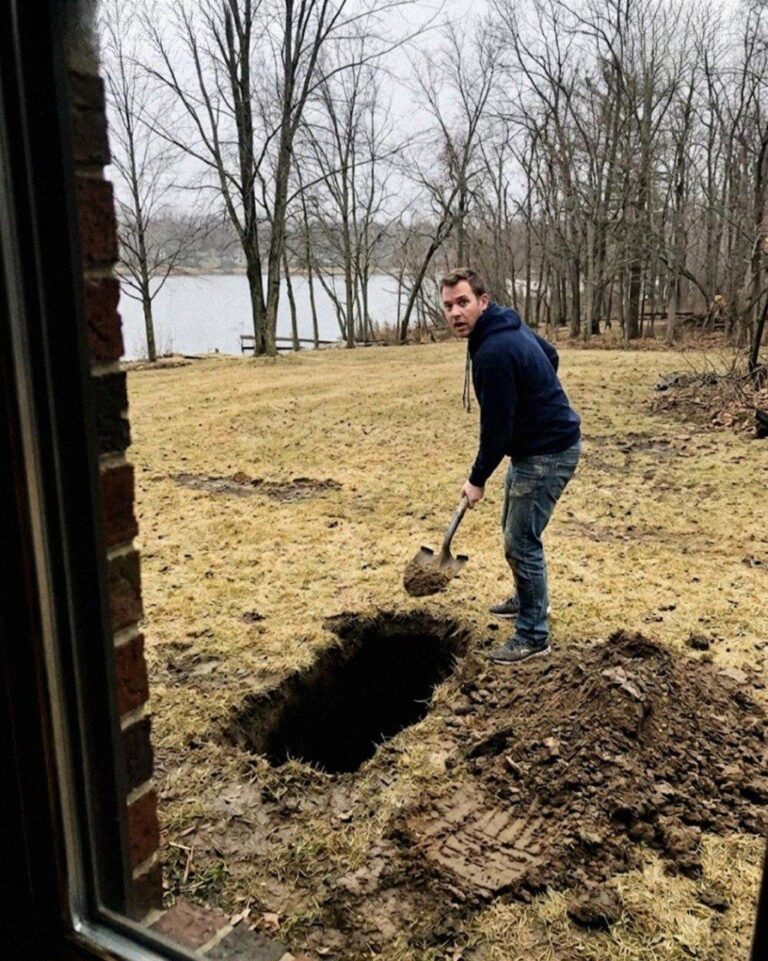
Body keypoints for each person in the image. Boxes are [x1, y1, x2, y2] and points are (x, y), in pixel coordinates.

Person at [441, 267, 581, 664]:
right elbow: (549, 355)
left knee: (521, 541)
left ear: (482, 302)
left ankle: (534, 634)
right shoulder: (504, 327)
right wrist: (532, 397)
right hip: (540, 447)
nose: (455, 312)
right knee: (514, 530)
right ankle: (527, 599)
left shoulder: (493, 352)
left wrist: (476, 479)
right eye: (448, 305)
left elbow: (496, 432)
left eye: (463, 302)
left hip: (546, 454)